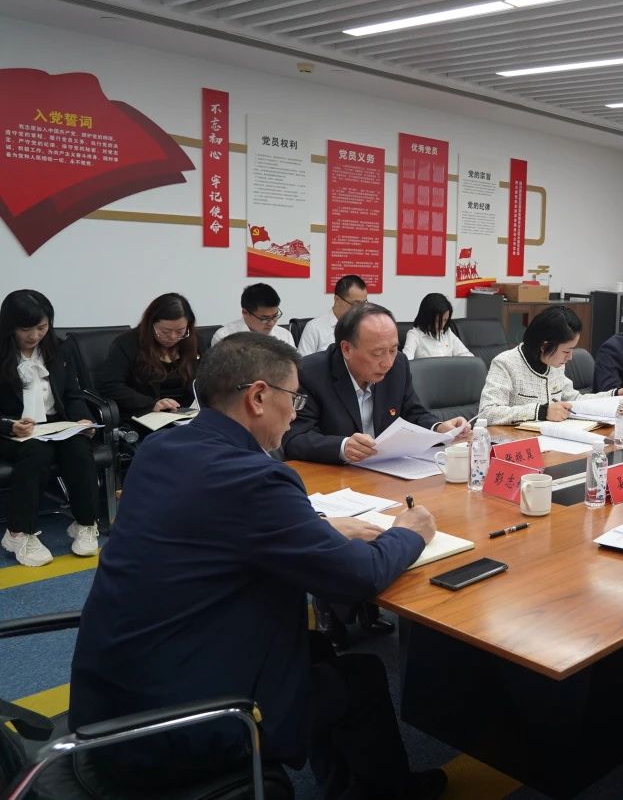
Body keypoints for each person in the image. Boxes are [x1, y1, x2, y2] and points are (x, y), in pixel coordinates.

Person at [68, 332, 448, 799]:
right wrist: (410, 531)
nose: (295, 412)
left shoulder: (160, 449)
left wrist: (315, 527)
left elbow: (216, 524)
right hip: (177, 728)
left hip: (111, 701)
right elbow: (358, 578)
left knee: (315, 650)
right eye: (295, 398)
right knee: (361, 677)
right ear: (259, 397)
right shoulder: (256, 477)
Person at [283, 302, 469, 465]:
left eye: (393, 350)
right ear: (346, 349)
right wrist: (342, 447)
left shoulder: (398, 365)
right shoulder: (310, 373)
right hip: (335, 476)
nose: (387, 363)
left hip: (387, 472)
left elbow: (413, 413)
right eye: (377, 353)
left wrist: (439, 428)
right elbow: (295, 438)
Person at [0, 290, 101, 566]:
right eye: (26, 329)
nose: (34, 336)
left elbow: (72, 394)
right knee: (36, 452)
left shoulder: (59, 348)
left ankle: (85, 523)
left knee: (79, 446)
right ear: (10, 326)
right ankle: (18, 533)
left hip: (54, 424)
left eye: (42, 327)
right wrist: (10, 425)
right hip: (12, 430)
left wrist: (82, 420)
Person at [479, 305, 623, 425]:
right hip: (517, 443)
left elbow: (574, 400)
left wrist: (612, 396)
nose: (570, 357)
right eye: (566, 351)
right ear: (544, 346)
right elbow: (487, 413)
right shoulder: (505, 363)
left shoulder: (555, 365)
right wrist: (541, 412)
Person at [98, 292, 200, 417]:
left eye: (180, 331)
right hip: (146, 414)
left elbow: (207, 380)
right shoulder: (127, 343)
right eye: (165, 331)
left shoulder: (194, 342)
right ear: (151, 324)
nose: (173, 337)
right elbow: (110, 386)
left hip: (188, 414)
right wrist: (151, 404)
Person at [297, 274, 368, 356]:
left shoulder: (365, 326)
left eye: (364, 303)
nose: (360, 309)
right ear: (337, 299)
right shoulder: (314, 328)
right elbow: (303, 362)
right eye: (356, 304)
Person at [210, 282, 295, 347]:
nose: (272, 323)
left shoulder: (284, 335)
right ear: (245, 313)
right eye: (265, 318)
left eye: (275, 316)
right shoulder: (224, 337)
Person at [402, 292, 472, 359]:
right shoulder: (414, 335)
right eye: (438, 321)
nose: (442, 326)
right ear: (427, 318)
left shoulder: (447, 332)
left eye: (445, 320)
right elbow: (406, 362)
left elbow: (468, 356)